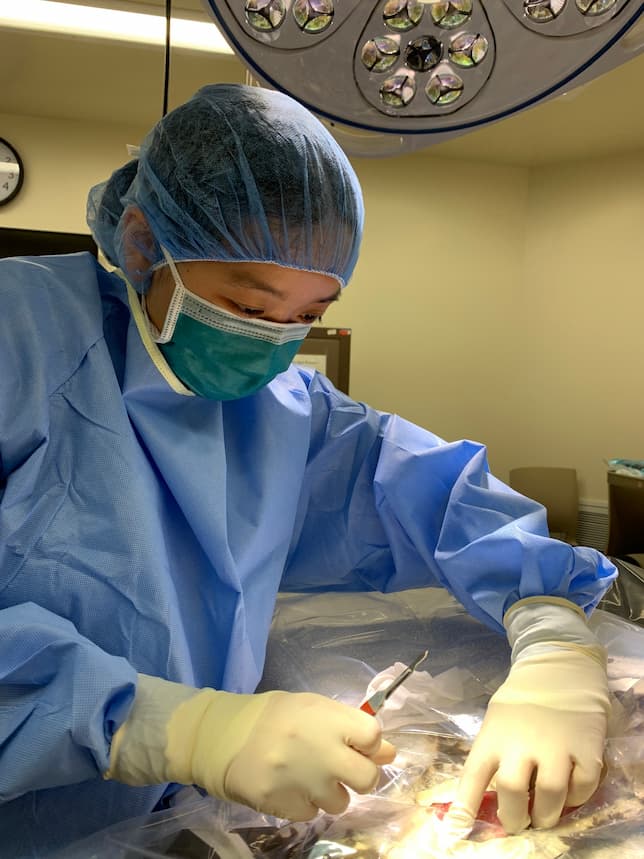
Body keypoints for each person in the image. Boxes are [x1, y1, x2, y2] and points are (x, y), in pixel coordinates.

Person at [0, 83, 616, 858]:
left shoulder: (285, 411)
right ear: (140, 244)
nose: (275, 345)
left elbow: (437, 498)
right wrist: (166, 726)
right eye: (251, 308)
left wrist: (554, 637)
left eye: (307, 316)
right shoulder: (17, 341)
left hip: (166, 828)